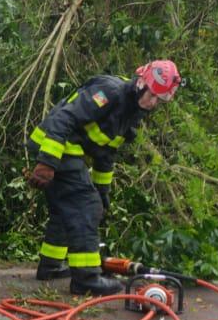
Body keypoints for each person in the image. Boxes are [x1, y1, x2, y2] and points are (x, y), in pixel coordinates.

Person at [25, 60, 181, 296]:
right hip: (55, 146)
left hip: (65, 150)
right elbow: (64, 118)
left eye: (159, 100)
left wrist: (102, 191)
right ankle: (86, 279)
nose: (153, 103)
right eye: (152, 95)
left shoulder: (130, 114)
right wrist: (47, 162)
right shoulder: (109, 92)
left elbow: (105, 154)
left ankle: (51, 266)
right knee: (85, 207)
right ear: (141, 83)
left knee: (67, 208)